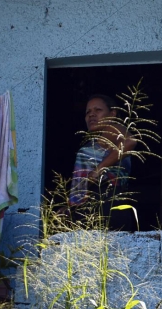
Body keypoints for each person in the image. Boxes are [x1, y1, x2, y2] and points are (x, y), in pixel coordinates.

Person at [67, 94, 137, 230]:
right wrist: (71, 207)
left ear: (112, 114)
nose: (91, 115)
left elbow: (130, 141)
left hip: (106, 201)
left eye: (97, 110)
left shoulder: (112, 129)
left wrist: (97, 171)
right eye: (88, 112)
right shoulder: (97, 141)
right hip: (94, 206)